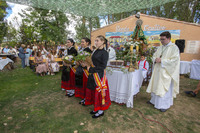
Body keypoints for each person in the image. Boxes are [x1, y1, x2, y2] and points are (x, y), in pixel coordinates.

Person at [146, 31, 180, 112]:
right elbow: (154, 56)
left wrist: (162, 61)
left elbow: (174, 61)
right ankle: (154, 101)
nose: (161, 41)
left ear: (169, 38)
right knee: (156, 85)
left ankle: (164, 105)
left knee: (163, 88)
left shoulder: (174, 48)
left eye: (163, 39)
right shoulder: (160, 47)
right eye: (160, 39)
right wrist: (155, 59)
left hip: (166, 72)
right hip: (158, 70)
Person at [81, 35, 111, 118]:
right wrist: (85, 65)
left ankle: (100, 110)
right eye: (95, 41)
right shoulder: (95, 51)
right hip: (93, 74)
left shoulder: (105, 53)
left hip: (99, 75)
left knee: (99, 93)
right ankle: (96, 107)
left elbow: (103, 66)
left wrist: (91, 69)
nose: (96, 42)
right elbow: (91, 62)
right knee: (94, 91)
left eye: (97, 40)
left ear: (103, 42)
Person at [75, 37, 92, 104]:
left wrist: (86, 64)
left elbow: (89, 61)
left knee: (85, 84)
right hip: (81, 68)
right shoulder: (82, 50)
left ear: (87, 43)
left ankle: (86, 98)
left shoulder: (88, 50)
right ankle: (83, 96)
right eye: (81, 42)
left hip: (85, 70)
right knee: (81, 83)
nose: (81, 43)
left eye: (83, 42)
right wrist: (78, 62)